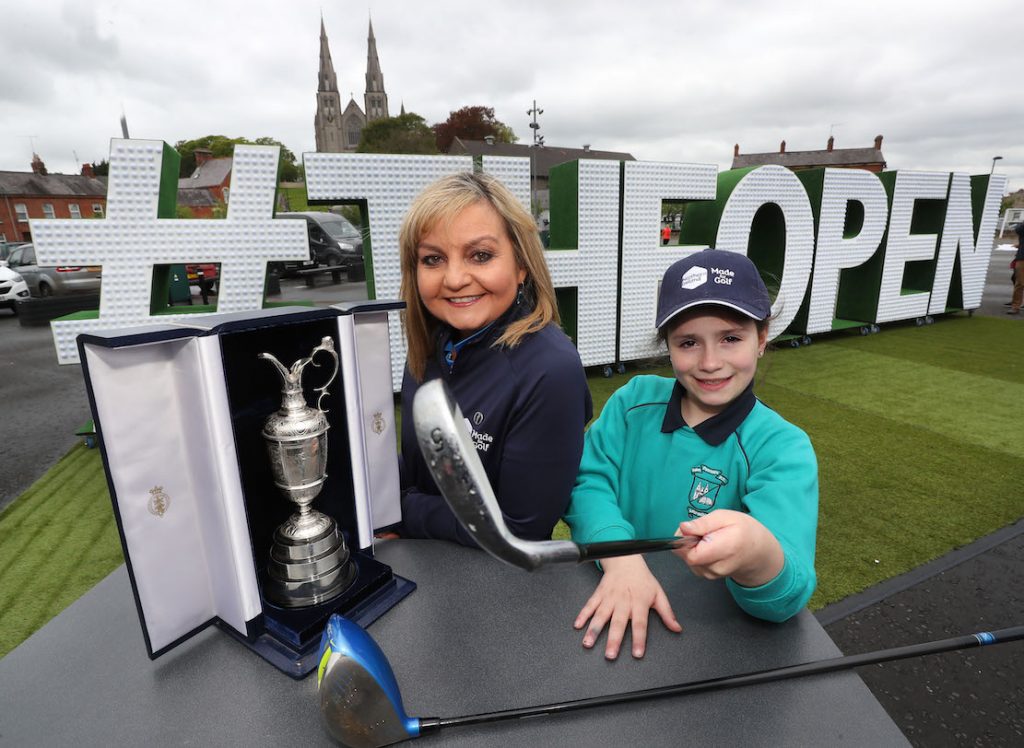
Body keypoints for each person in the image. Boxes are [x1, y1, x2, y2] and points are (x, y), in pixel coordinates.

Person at [564, 248, 818, 660]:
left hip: (707, 644)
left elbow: (785, 598)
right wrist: (620, 557)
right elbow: (587, 481)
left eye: (731, 338)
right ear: (668, 345)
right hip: (610, 607)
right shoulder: (633, 402)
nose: (710, 362)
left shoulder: (782, 448)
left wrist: (756, 553)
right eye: (688, 342)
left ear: (762, 338)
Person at [393, 172, 592, 545]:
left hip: (492, 589)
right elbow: (424, 467)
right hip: (420, 570)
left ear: (521, 266)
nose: (454, 278)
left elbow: (520, 528)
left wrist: (401, 511)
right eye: (433, 259)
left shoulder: (551, 371)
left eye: (480, 255)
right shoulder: (432, 346)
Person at [1009, 223, 1024, 315]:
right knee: (1020, 283)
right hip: (1022, 258)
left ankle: (1015, 306)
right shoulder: (1022, 228)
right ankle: (1015, 306)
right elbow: (1019, 228)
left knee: (1019, 283)